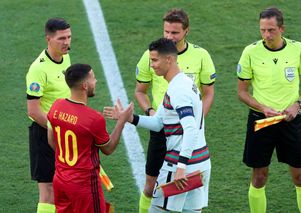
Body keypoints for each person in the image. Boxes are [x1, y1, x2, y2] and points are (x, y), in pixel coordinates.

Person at [106, 38, 211, 212]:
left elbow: (190, 130)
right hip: (200, 164)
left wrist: (181, 167)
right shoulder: (183, 83)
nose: (152, 65)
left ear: (169, 59)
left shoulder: (178, 90)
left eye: (154, 60)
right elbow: (159, 123)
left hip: (180, 168)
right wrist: (129, 118)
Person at [135, 8, 216, 212]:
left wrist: (195, 122)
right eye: (166, 32)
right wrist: (142, 114)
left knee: (162, 204)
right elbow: (141, 92)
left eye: (175, 33)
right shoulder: (173, 79)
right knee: (151, 185)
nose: (170, 37)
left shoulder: (194, 64)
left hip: (182, 146)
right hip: (168, 130)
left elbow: (208, 94)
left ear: (186, 31)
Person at [237, 7, 301, 213]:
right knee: (259, 177)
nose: (266, 35)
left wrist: (297, 105)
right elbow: (242, 92)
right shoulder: (250, 52)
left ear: (282, 29)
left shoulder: (299, 49)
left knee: (300, 177)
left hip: (291, 121)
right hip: (261, 121)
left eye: (271, 30)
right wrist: (262, 107)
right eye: (262, 30)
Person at [47, 63, 133, 213]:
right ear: (85, 85)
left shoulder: (56, 106)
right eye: (93, 78)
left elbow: (51, 140)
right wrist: (122, 121)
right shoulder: (93, 119)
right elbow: (108, 148)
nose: (96, 81)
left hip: (60, 180)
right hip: (84, 185)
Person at [26, 18, 72, 213]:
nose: (67, 42)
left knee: (67, 188)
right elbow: (33, 110)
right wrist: (56, 129)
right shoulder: (38, 69)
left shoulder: (65, 57)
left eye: (69, 37)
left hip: (66, 132)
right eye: (61, 38)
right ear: (48, 39)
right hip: (45, 133)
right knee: (49, 190)